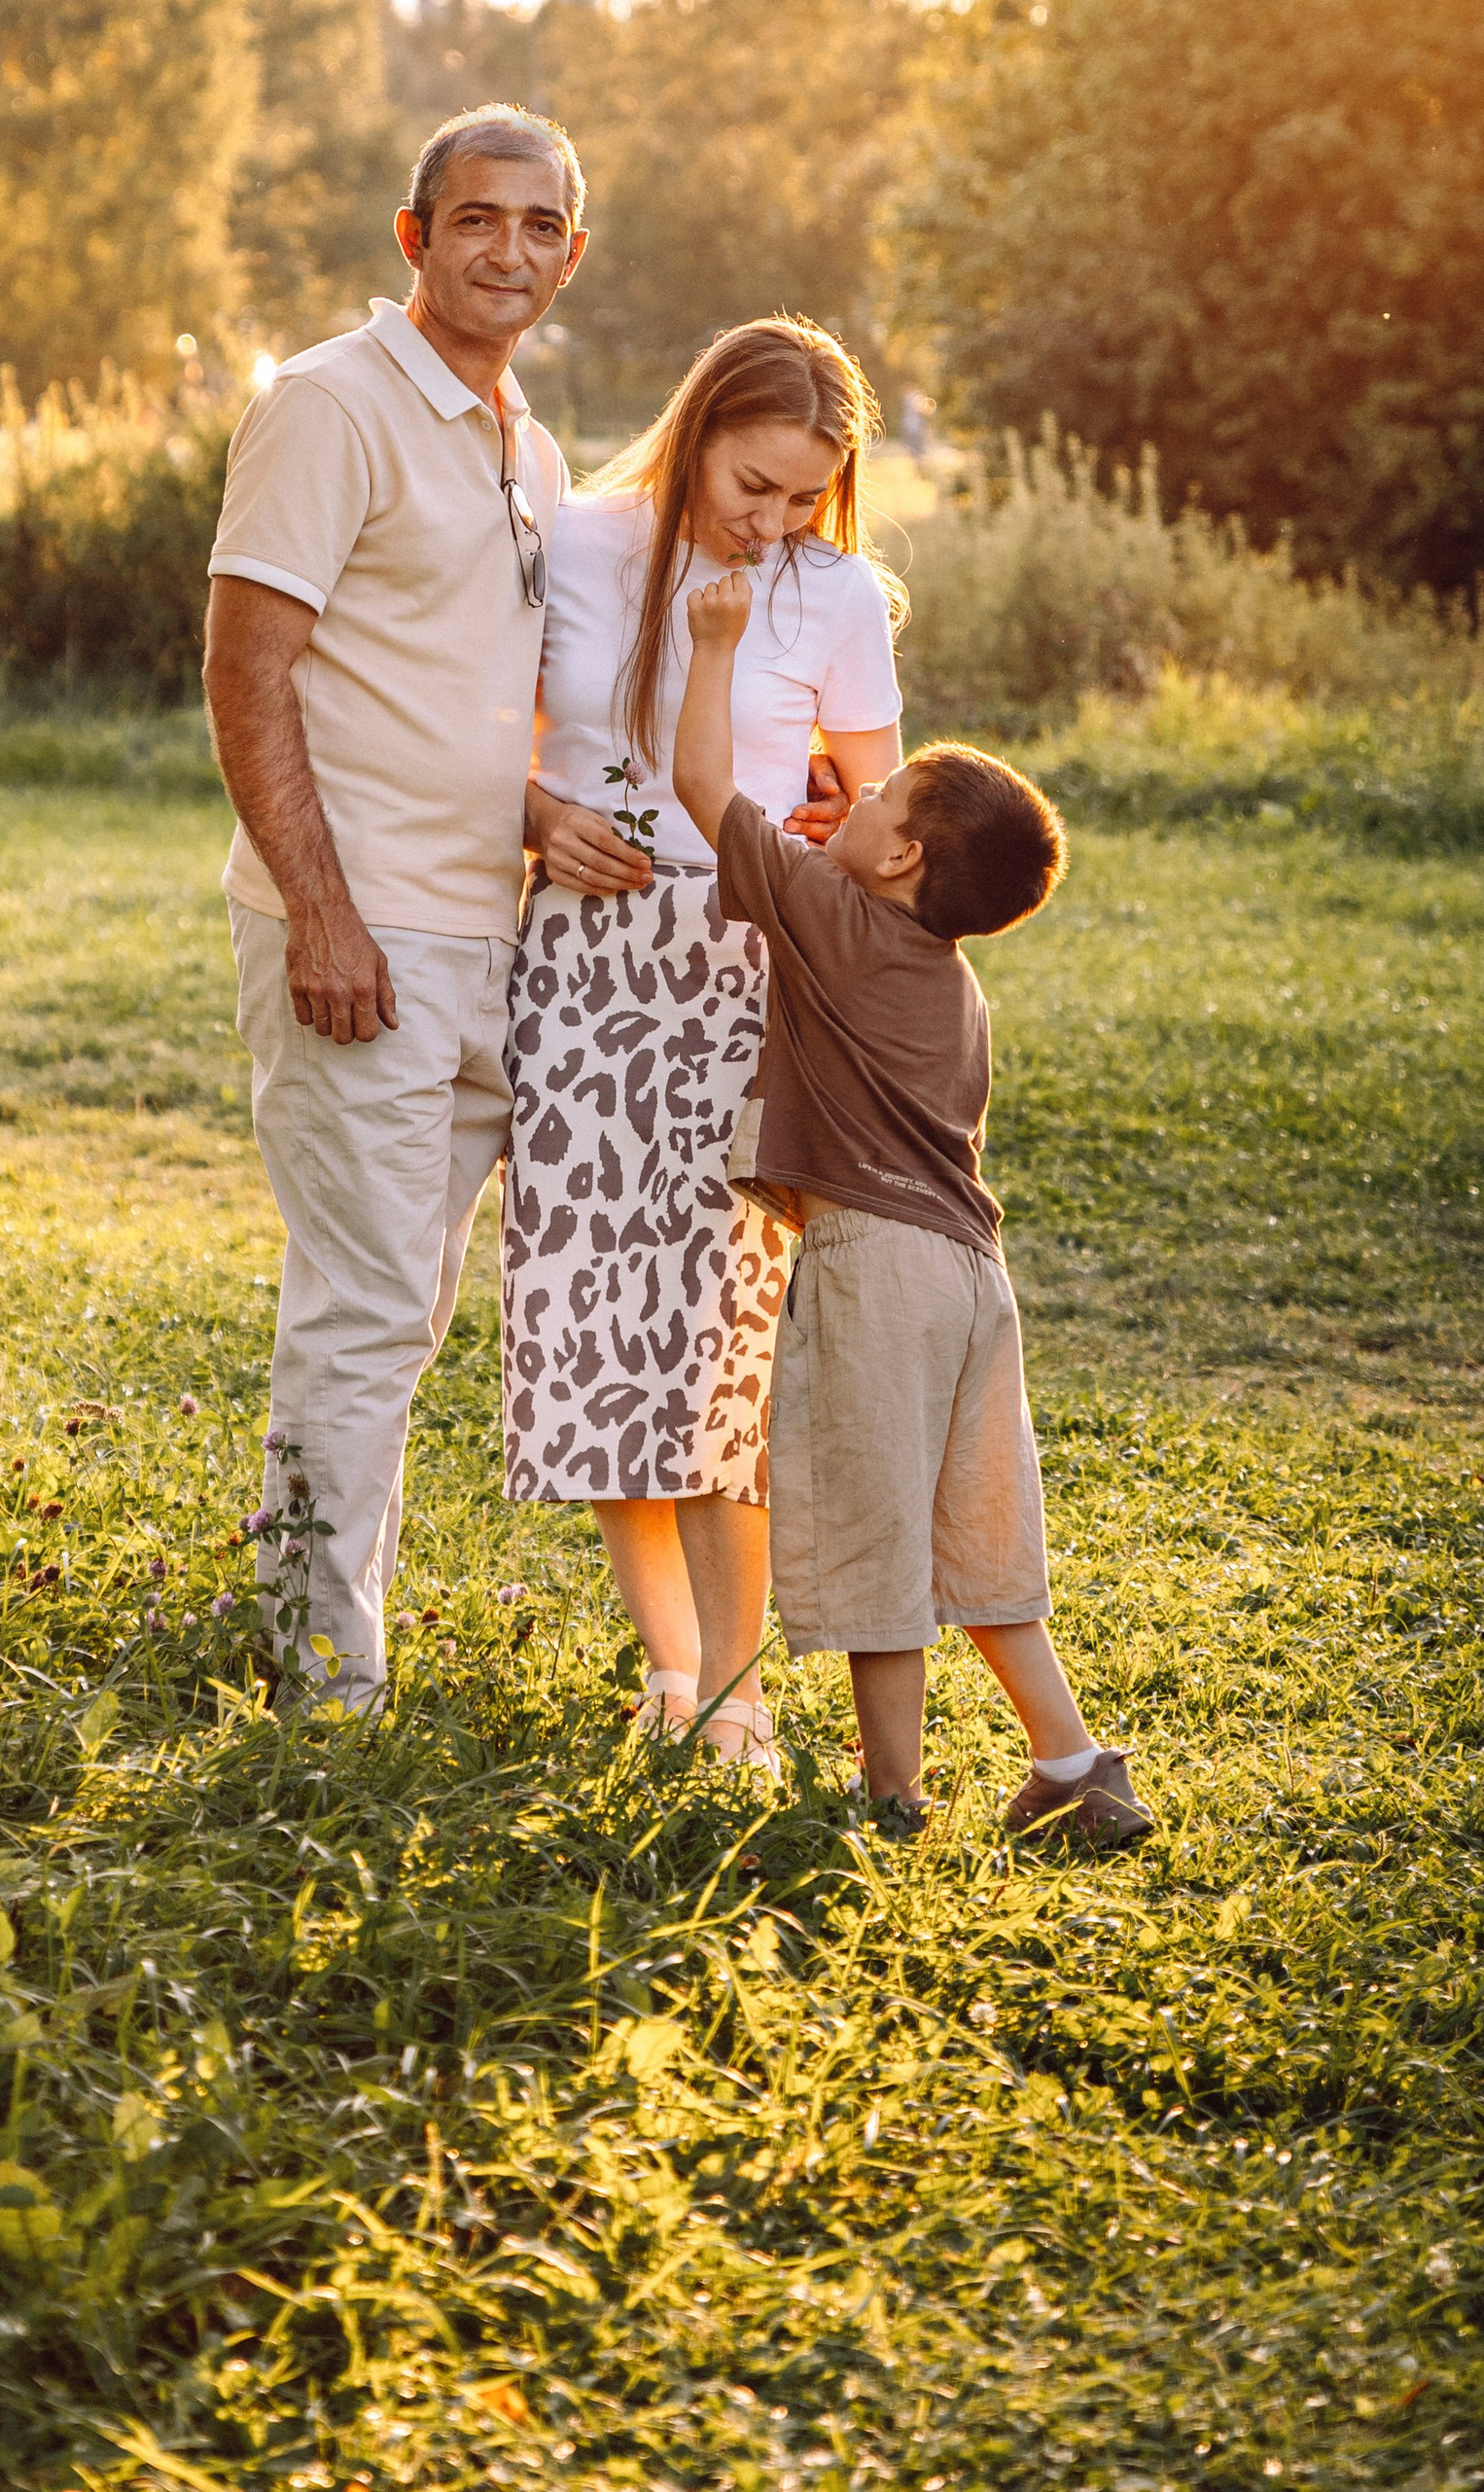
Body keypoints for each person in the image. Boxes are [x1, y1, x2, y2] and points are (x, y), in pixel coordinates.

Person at [670, 576, 1153, 1845]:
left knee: (875, 1538)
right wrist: (860, 831)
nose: (854, 788)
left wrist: (715, 644)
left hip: (873, 1267)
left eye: (876, 793)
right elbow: (867, 862)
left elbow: (701, 783)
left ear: (897, 860)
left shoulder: (829, 913)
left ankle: (889, 1802)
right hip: (972, 1279)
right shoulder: (954, 984)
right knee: (977, 1536)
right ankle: (1071, 1763)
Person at [202, 103, 583, 1701]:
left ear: (571, 255)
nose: (508, 250)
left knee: (402, 1308)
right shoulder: (329, 402)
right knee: (366, 1305)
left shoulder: (527, 447)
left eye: (540, 225)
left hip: (488, 934)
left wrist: (546, 816)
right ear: (416, 237)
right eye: (477, 219)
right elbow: (246, 670)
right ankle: (319, 1690)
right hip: (358, 932)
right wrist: (322, 912)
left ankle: (308, 1616)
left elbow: (458, 695)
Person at [503, 318, 903, 1775]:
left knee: (729, 1336)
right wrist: (541, 820)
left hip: (744, 972)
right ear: (695, 434)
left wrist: (832, 837)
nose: (772, 520)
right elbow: (484, 734)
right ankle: (668, 1669)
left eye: (803, 495)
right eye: (752, 484)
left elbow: (880, 810)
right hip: (583, 967)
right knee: (603, 1317)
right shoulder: (571, 540)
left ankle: (740, 1689)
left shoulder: (833, 591)